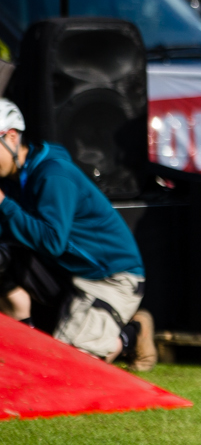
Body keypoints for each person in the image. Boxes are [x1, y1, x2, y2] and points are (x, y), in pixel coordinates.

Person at [0, 99, 155, 369]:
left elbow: (51, 241)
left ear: (11, 137)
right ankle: (23, 349)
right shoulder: (12, 180)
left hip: (110, 279)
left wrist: (3, 204)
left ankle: (133, 332)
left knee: (72, 367)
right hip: (68, 273)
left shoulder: (53, 175)